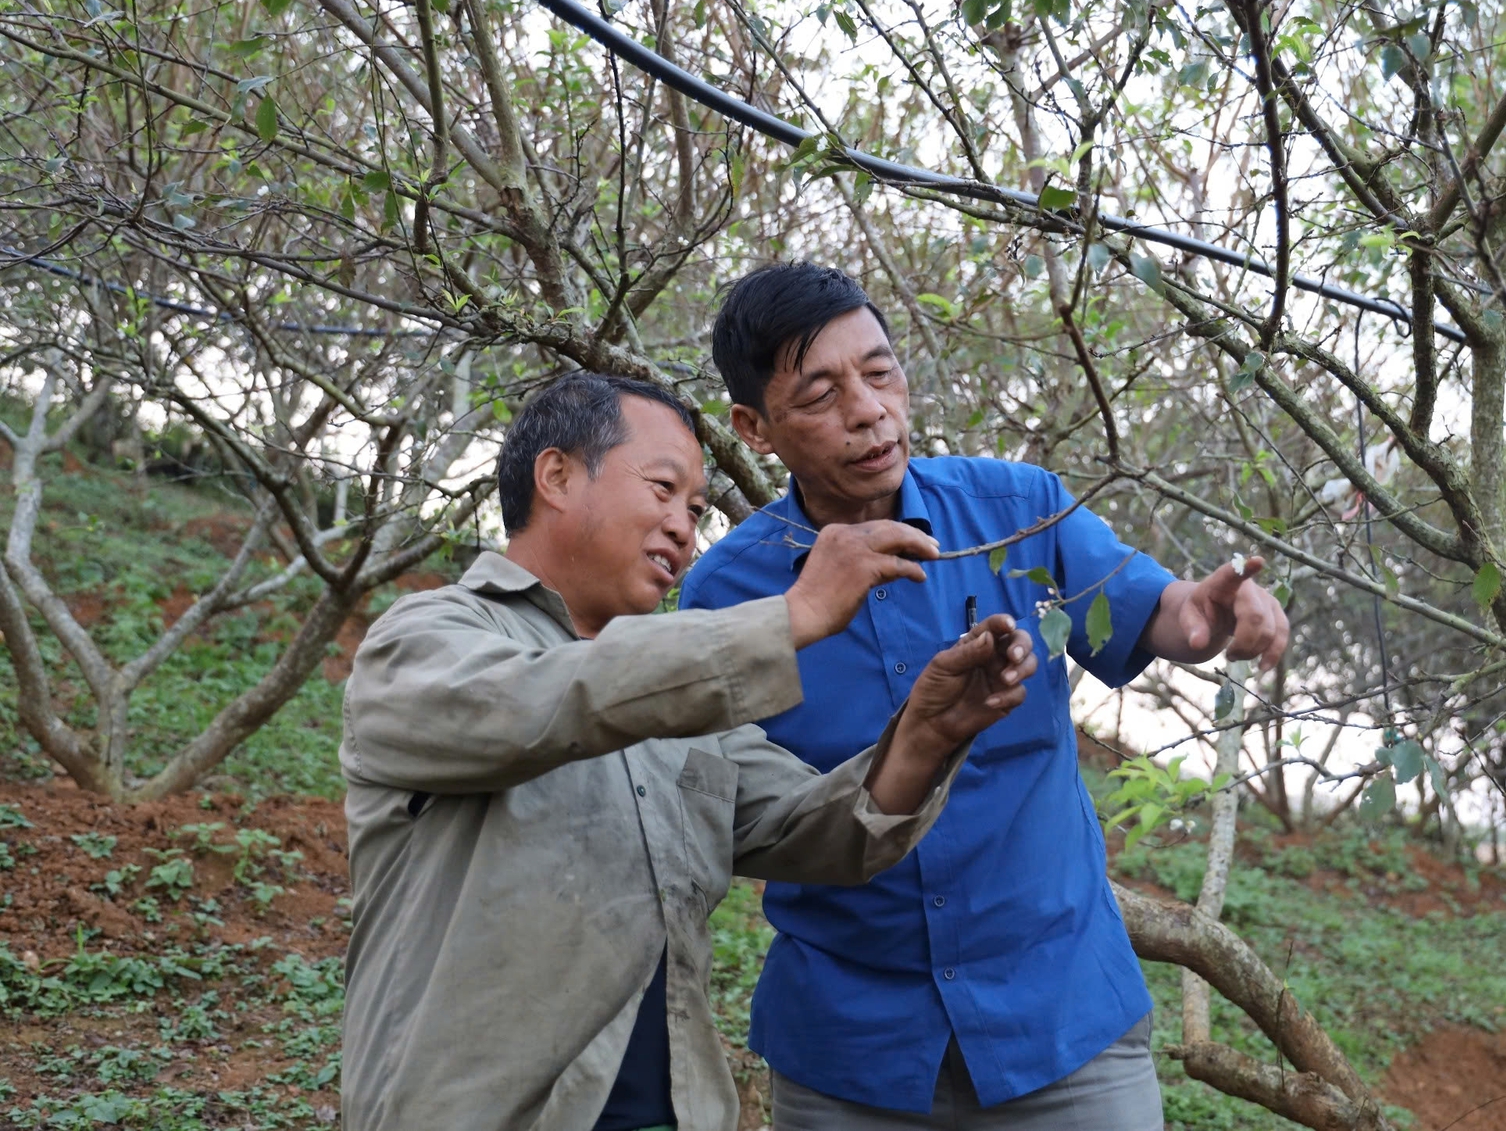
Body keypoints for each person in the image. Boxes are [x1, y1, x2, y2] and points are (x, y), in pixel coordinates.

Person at [338, 371, 1039, 1131]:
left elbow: (817, 828)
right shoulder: (422, 641)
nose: (683, 527)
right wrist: (793, 614)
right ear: (558, 475)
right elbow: (551, 699)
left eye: (696, 510)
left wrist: (930, 733)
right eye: (663, 489)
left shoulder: (685, 706)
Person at [678, 264, 1290, 1129]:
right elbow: (728, 812)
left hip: (1061, 1026)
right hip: (852, 1051)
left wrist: (1208, 612)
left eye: (880, 372)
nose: (867, 411)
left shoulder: (1017, 511)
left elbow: (1163, 609)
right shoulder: (726, 599)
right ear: (755, 427)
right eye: (820, 394)